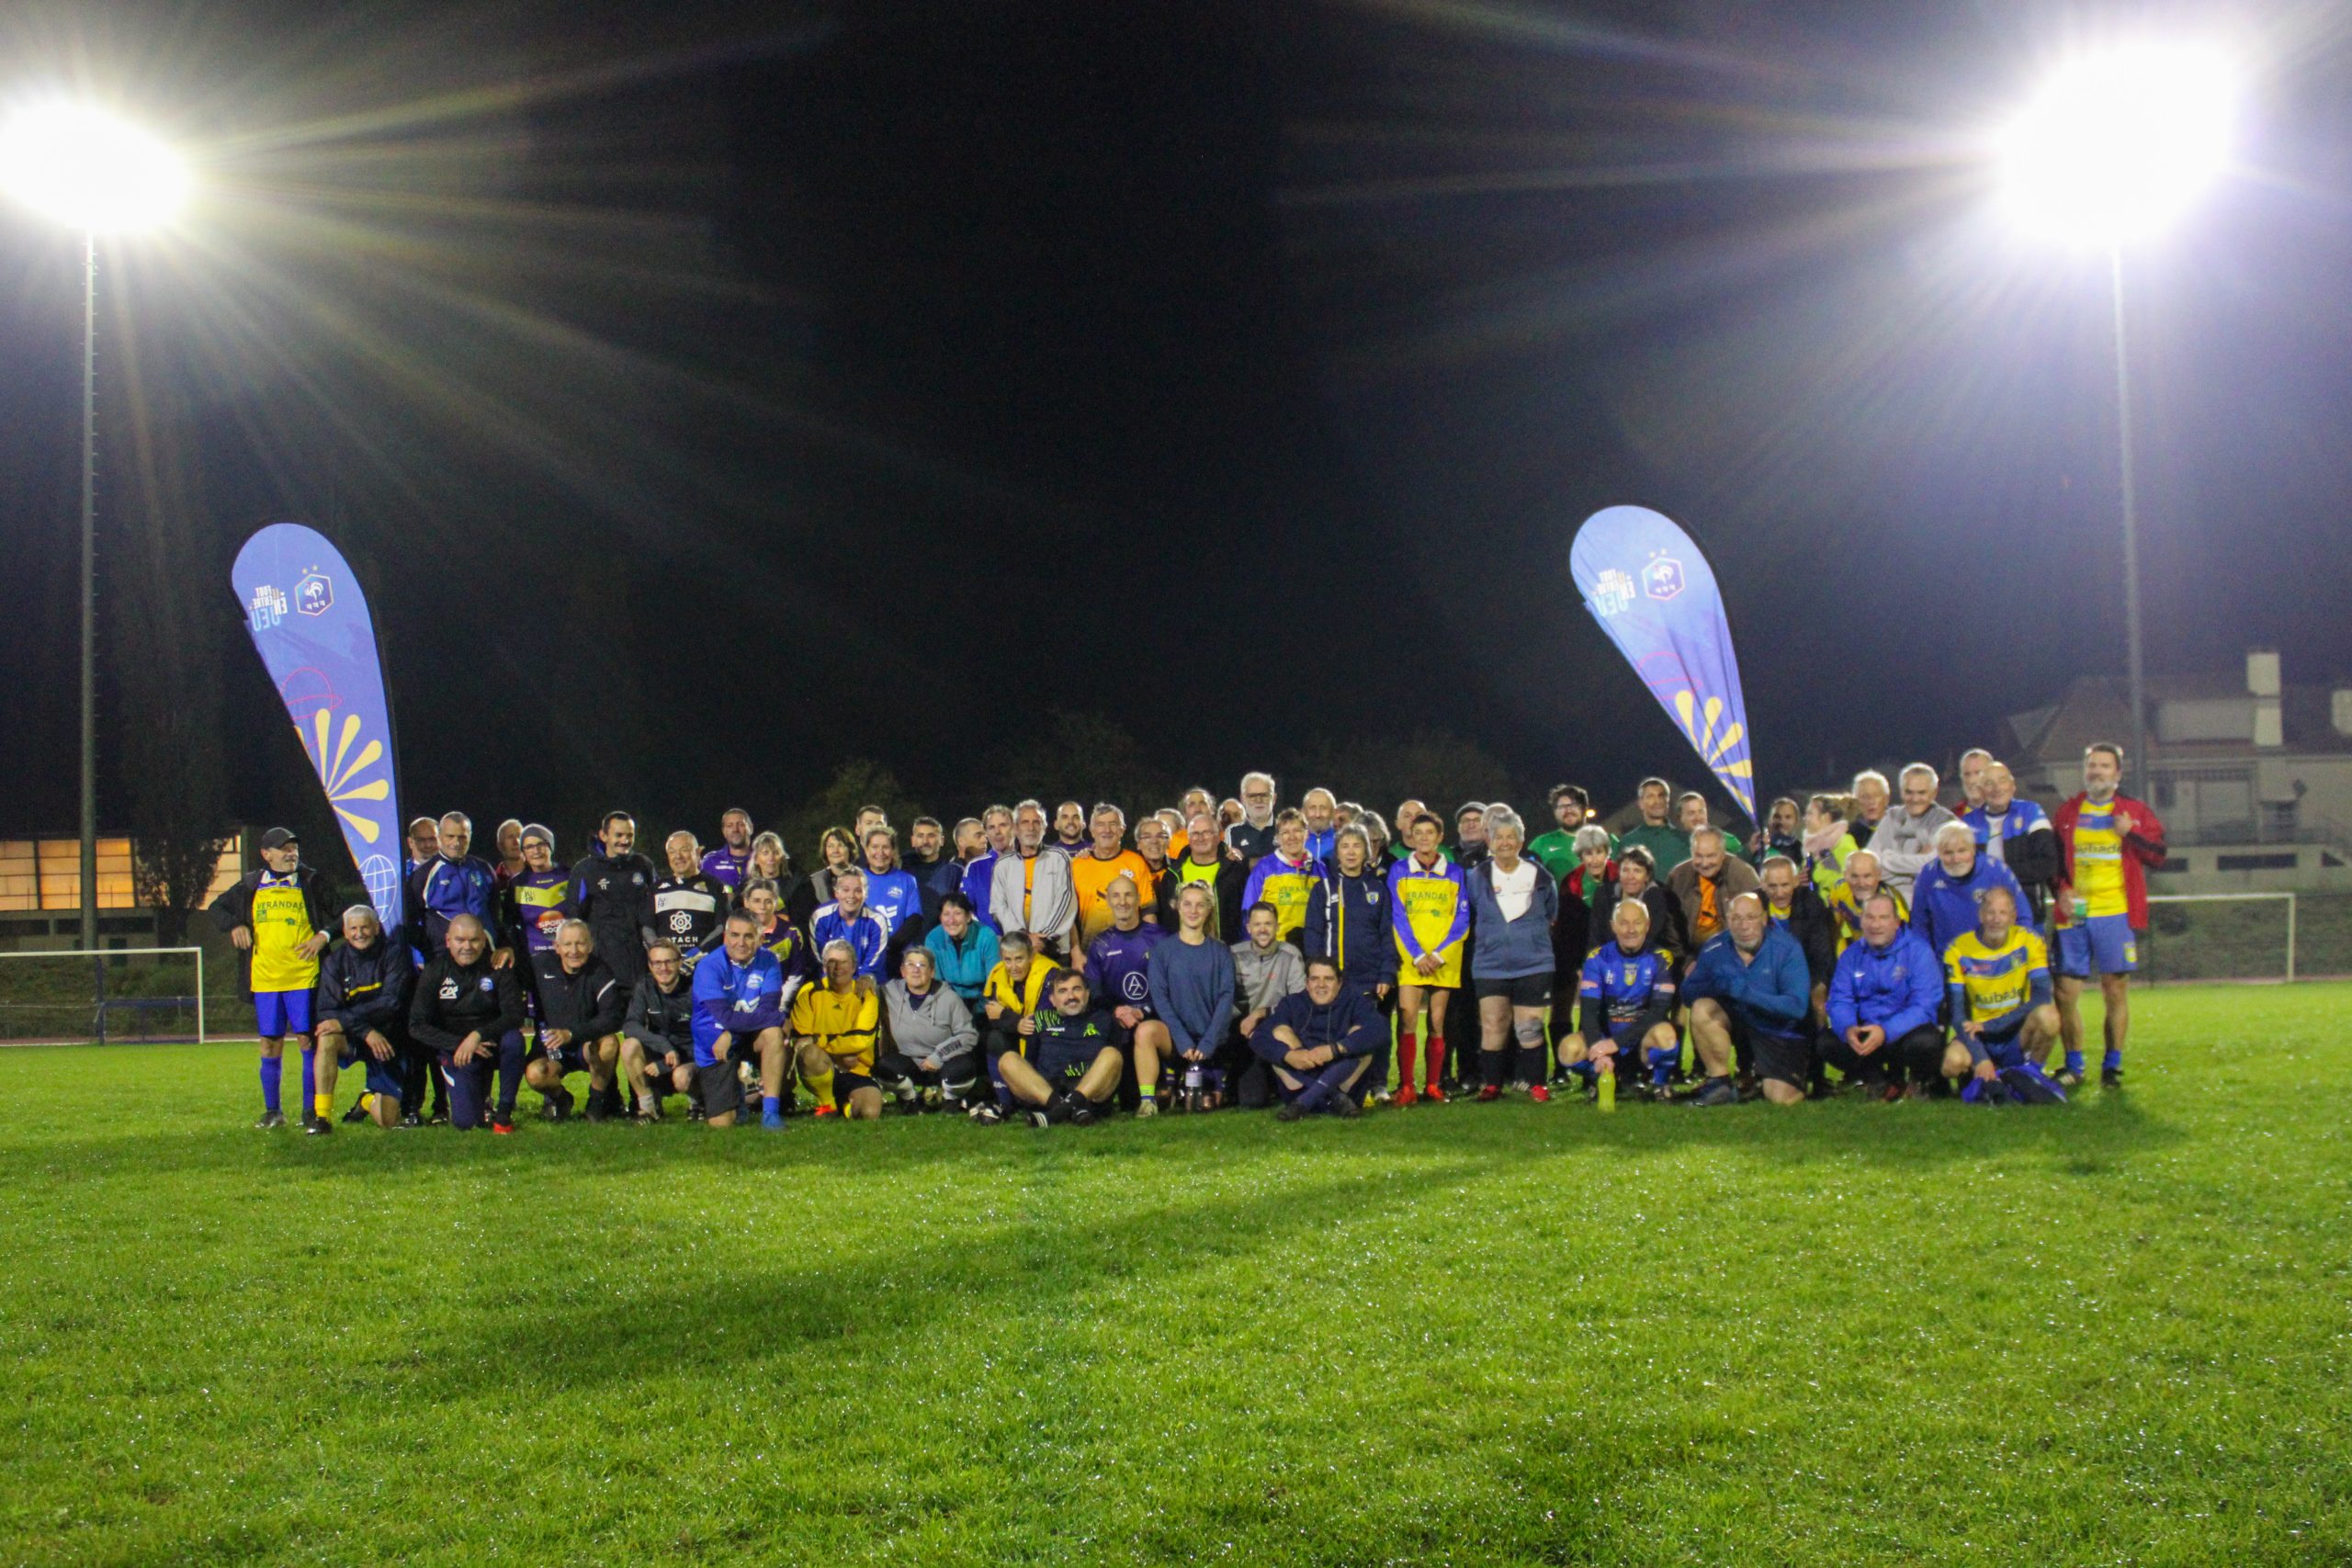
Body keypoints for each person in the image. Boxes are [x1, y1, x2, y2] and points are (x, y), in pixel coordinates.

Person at [2050, 741, 2166, 1089]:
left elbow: (2159, 855)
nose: (2097, 771)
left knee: (2114, 991)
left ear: (2117, 773)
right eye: (2092, 765)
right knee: (2065, 992)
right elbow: (2054, 861)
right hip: (2076, 914)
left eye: (2104, 766)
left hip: (2115, 913)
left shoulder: (2134, 811)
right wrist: (2061, 890)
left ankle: (2112, 1066)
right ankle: (2074, 1065)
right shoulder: (2069, 811)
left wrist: (2131, 833)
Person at [212, 826, 337, 1129]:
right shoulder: (252, 883)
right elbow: (217, 907)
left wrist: (323, 936)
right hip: (266, 978)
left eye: (294, 848)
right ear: (266, 854)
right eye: (284, 848)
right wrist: (235, 925)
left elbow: (345, 913)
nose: (291, 853)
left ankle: (310, 1112)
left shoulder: (311, 880)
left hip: (304, 976)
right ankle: (273, 1112)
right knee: (269, 1044)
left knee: (308, 1041)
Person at [1461, 807, 1559, 1100]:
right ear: (1489, 841)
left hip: (1533, 963)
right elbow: (1473, 909)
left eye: (1510, 837)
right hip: (1490, 963)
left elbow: (1551, 912)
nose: (1505, 842)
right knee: (1493, 1024)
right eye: (1499, 837)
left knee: (1529, 1027)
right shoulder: (1477, 876)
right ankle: (1492, 1086)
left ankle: (1537, 1085)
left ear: (1520, 840)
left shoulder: (1540, 875)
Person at [1682, 894, 1814, 1107]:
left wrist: (1744, 992)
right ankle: (1720, 1084)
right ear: (1727, 920)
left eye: (1751, 918)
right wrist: (1715, 985)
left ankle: (1772, 1080)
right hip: (1737, 1024)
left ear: (1764, 919)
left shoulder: (1787, 948)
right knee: (1702, 1007)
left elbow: (1796, 1008)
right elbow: (1687, 994)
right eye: (1736, 918)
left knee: (1780, 1098)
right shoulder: (1715, 947)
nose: (1743, 926)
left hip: (1777, 1030)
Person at [407, 914, 527, 1133]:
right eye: (460, 940)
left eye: (474, 940)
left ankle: (503, 1115)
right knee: (467, 1123)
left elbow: (515, 1015)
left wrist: (478, 1035)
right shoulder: (435, 971)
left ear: (484, 941)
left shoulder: (497, 966)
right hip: (458, 1052)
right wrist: (458, 1043)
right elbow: (416, 1025)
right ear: (448, 941)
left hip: (491, 1044)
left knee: (514, 1040)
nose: (467, 947)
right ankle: (476, 1098)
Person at [1824, 891, 1945, 1100]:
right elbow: (1840, 1000)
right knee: (1826, 1041)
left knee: (1926, 1042)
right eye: (1870, 918)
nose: (1876, 925)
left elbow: (1924, 1005)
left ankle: (1919, 1081)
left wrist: (1886, 1031)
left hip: (1904, 1033)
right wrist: (1848, 1028)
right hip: (1866, 1032)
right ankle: (1877, 1081)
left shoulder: (1919, 951)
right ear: (1861, 921)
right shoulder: (1851, 955)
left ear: (1896, 922)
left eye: (1883, 918)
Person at [1943, 886, 2061, 1093]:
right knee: (1951, 1065)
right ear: (1981, 915)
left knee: (2049, 1016)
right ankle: (1982, 1073)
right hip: (1978, 1034)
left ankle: (2031, 1075)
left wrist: (1992, 1025)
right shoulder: (1957, 949)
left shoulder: (2030, 941)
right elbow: (1957, 1014)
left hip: (2015, 1031)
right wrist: (1980, 1057)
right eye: (1990, 912)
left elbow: (2042, 996)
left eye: (2002, 913)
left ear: (2013, 916)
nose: (1996, 919)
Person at [311, 905, 413, 1133]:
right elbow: (327, 1012)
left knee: (387, 1121)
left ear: (376, 928)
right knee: (327, 1038)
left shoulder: (394, 954)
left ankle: (367, 1101)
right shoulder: (334, 962)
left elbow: (391, 1003)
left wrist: (354, 1024)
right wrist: (366, 1032)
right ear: (345, 932)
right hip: (356, 1037)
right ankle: (322, 1118)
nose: (360, 933)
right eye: (353, 928)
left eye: (365, 927)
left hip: (389, 1039)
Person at [1388, 810, 1467, 1105]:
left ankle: (1432, 1086)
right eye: (1418, 833)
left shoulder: (1455, 873)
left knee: (1437, 1021)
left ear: (1440, 837)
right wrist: (1418, 954)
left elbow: (1461, 920)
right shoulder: (1399, 870)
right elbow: (1398, 917)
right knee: (1407, 1017)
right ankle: (1407, 1086)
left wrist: (1438, 954)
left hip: (1443, 959)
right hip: (1412, 959)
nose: (1423, 838)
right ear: (1411, 836)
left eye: (1429, 833)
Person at [690, 910, 792, 1129]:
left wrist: (732, 1032)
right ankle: (735, 1094)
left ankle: (770, 1114)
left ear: (760, 938)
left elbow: (768, 1008)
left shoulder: (769, 960)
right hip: (715, 1045)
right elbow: (726, 1018)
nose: (741, 943)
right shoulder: (709, 966)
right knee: (722, 1124)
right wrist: (777, 1018)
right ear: (725, 937)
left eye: (748, 936)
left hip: (743, 1037)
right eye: (735, 935)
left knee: (774, 1034)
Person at [1573, 899, 1680, 1100]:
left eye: (1637, 923)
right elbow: (1588, 1012)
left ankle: (1660, 1084)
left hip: (1641, 1043)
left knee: (1666, 1035)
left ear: (1647, 925)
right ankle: (1601, 1078)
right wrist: (1600, 1050)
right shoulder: (1597, 958)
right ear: (1613, 926)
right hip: (1607, 1040)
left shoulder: (1661, 957)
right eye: (1623, 923)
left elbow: (1659, 1010)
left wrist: (1618, 1042)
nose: (1631, 930)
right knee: (1568, 1050)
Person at [522, 919, 628, 1121]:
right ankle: (562, 1099)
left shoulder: (600, 971)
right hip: (552, 1045)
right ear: (557, 947)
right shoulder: (539, 966)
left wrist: (572, 1034)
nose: (574, 951)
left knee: (609, 1043)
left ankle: (596, 1104)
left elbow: (613, 1016)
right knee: (535, 1074)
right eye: (568, 944)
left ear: (590, 945)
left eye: (580, 943)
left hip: (587, 1043)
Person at [1082, 878, 1171, 1113]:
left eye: (1128, 895)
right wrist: (1117, 1011)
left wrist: (1144, 1010)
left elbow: (1173, 988)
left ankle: (1167, 1082)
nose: (1123, 902)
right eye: (1116, 896)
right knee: (1128, 1102)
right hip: (1119, 1027)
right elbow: (1095, 993)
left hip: (1156, 1023)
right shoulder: (1100, 944)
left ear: (1139, 899)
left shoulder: (1161, 937)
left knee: (1161, 1096)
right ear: (1108, 901)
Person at [1148, 882, 1238, 1111]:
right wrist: (1181, 1039)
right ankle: (1148, 1098)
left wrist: (1209, 1042)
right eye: (1187, 904)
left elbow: (1226, 998)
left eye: (1200, 905)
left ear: (1208, 909)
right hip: (1177, 1041)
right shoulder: (1162, 951)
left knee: (1210, 1104)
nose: (1193, 910)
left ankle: (1211, 1079)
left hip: (1212, 1043)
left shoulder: (1221, 952)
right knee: (1145, 1032)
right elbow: (1160, 998)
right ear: (1177, 907)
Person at [1259, 956, 1385, 1120]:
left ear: (1339, 983)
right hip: (1303, 1087)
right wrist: (1289, 1055)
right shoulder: (1291, 1003)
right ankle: (1334, 1097)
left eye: (1328, 979)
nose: (1321, 984)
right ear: (1307, 983)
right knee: (1279, 1034)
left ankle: (1304, 1102)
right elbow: (1259, 1037)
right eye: (1315, 979)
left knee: (1361, 1036)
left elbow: (1380, 1030)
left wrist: (1336, 1049)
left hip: (1344, 1089)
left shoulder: (1356, 1001)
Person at [998, 968, 1121, 1126]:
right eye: (1063, 991)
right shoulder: (1040, 1020)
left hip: (1090, 1093)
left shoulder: (1104, 1019)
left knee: (1112, 1054)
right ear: (1052, 999)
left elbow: (1114, 1068)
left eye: (1077, 989)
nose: (1071, 996)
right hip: (1048, 1091)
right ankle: (1067, 1108)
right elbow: (1029, 1063)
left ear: (1087, 994)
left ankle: (1056, 1114)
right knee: (1008, 1059)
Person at [877, 946, 981, 1113]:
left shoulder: (949, 998)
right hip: (907, 1062)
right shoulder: (889, 992)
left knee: (964, 1068)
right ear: (903, 971)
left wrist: (938, 1056)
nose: (916, 970)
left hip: (942, 1063)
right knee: (884, 1066)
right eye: (910, 965)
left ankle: (948, 1099)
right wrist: (867, 980)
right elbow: (865, 990)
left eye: (922, 965)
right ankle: (910, 1098)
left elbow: (968, 1035)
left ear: (932, 972)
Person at [789, 939, 885, 1119]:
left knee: (869, 1113)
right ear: (824, 966)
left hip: (858, 1069)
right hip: (823, 1065)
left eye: (843, 962)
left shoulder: (866, 995)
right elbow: (803, 1040)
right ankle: (827, 1105)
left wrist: (820, 1040)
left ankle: (844, 1105)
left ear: (853, 966)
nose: (837, 967)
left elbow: (861, 1040)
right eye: (832, 962)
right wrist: (838, 1056)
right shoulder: (809, 992)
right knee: (809, 1053)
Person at [1910, 822, 2034, 960]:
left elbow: (2023, 916)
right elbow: (1919, 926)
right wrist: (1927, 960)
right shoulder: (1927, 876)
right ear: (1938, 853)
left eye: (1962, 851)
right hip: (1947, 961)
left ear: (1973, 849)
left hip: (1995, 960)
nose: (1956, 859)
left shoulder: (1997, 871)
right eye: (1948, 853)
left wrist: (2015, 953)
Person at [1230, 901, 1307, 1108]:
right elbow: (1225, 998)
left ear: (1277, 926)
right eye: (1257, 925)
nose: (1263, 930)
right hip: (1241, 1031)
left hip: (1276, 1026)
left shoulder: (1290, 954)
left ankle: (1297, 1085)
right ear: (1249, 928)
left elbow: (1299, 1001)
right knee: (1252, 1101)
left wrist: (1261, 1014)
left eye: (1268, 924)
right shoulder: (1233, 954)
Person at [1964, 762, 2060, 926]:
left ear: (2012, 786)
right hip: (1982, 918)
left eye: (2002, 781)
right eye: (1989, 783)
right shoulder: (1967, 823)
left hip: (2028, 914)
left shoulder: (2031, 812)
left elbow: (2048, 863)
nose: (1996, 788)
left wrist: (2000, 875)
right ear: (1980, 790)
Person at [409, 812, 508, 968]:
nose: (456, 842)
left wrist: (504, 945)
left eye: (462, 837)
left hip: (486, 957)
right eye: (450, 836)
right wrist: (432, 949)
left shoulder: (484, 869)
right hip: (443, 961)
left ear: (470, 837)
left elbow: (495, 916)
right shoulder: (423, 875)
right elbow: (410, 923)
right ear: (440, 836)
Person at [571, 810, 657, 987]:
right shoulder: (585, 870)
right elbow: (574, 917)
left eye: (630, 835)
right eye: (619, 835)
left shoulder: (643, 865)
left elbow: (657, 905)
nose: (625, 841)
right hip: (602, 964)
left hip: (639, 963)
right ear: (603, 836)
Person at [1305, 825, 1391, 1000]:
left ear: (1366, 851)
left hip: (1369, 980)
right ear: (1337, 853)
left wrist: (1386, 974)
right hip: (1331, 980)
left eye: (1356, 846)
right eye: (1345, 846)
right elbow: (1313, 933)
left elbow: (1387, 934)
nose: (1351, 852)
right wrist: (1318, 972)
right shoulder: (1323, 889)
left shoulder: (1378, 888)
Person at [1756, 854, 1837, 1032]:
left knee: (1818, 1003)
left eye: (1785, 885)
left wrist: (1817, 987)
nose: (1779, 893)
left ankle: (1819, 1044)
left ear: (1795, 881)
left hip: (1807, 974)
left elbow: (1821, 954)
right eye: (1772, 886)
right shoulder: (1753, 905)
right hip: (1765, 976)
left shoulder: (1812, 904)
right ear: (1762, 884)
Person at [621, 942, 700, 1122]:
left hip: (691, 1057)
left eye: (669, 962)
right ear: (650, 965)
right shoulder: (645, 986)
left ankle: (698, 1101)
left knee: (681, 1077)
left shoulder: (694, 989)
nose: (663, 968)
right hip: (662, 1055)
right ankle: (648, 1108)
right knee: (629, 1046)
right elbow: (630, 1024)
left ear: (680, 963)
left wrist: (670, 1061)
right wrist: (664, 1047)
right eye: (657, 963)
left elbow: (706, 1037)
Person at [978, 930, 1054, 1118]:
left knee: (1033, 1031)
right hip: (1016, 1034)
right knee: (994, 1038)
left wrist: (1007, 1016)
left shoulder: (1049, 974)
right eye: (1008, 960)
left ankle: (1036, 1097)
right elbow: (993, 1017)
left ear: (1031, 956)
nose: (1013, 967)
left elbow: (1041, 1020)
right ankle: (1005, 1103)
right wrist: (1016, 1023)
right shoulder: (998, 975)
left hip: (1048, 1039)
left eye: (1019, 959)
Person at [989, 800, 1078, 961]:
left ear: (1044, 828)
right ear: (1015, 829)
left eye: (1036, 822)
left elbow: (1066, 900)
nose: (1031, 828)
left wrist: (1044, 937)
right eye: (1025, 822)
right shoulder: (1002, 865)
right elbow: (998, 907)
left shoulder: (1059, 858)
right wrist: (1023, 937)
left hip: (1053, 949)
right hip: (1017, 951)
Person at [1069, 804, 1158, 946]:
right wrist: (1076, 952)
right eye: (1100, 825)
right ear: (1092, 830)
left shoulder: (1136, 863)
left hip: (1130, 949)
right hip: (1090, 950)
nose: (1107, 830)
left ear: (1122, 829)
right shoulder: (1076, 866)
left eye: (1113, 824)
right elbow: (1069, 918)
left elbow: (1148, 913)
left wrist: (1150, 947)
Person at [1666, 826, 1760, 953]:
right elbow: (1670, 928)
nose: (1705, 863)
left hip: (1733, 955)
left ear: (1723, 854)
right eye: (1698, 856)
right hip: (1689, 956)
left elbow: (1758, 923)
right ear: (1691, 852)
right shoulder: (1678, 876)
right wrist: (1685, 961)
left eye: (1711, 856)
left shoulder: (1743, 875)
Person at [1864, 764, 1954, 898]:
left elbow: (1934, 864)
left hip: (1930, 901)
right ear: (1901, 791)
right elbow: (1868, 865)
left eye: (1921, 793)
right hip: (1887, 903)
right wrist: (1913, 867)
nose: (1915, 799)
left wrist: (1888, 858)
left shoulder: (1946, 822)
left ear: (1934, 793)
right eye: (1909, 792)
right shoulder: (1891, 817)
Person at [1240, 808, 1325, 947]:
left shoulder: (1320, 869)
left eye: (1297, 831)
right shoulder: (1264, 868)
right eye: (1285, 832)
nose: (1292, 837)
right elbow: (1248, 912)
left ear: (1306, 834)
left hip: (1312, 949)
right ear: (1278, 838)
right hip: (1274, 950)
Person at [1585, 843, 1683, 957]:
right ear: (1619, 873)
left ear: (1647, 876)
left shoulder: (1658, 898)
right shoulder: (1603, 895)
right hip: (1608, 959)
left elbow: (1648, 941)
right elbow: (1594, 939)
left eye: (1637, 871)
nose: (1630, 877)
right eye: (1625, 870)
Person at [1161, 813, 1247, 941]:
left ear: (1218, 836)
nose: (1200, 838)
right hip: (1182, 949)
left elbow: (1245, 914)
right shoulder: (1172, 875)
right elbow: (1166, 919)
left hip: (1228, 948)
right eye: (1195, 834)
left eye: (1206, 833)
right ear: (1188, 838)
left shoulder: (1236, 871)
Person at [651, 830, 729, 972]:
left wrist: (697, 953)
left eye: (684, 850)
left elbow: (722, 927)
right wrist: (664, 958)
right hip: (666, 971)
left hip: (704, 969)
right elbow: (647, 928)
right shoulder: (656, 889)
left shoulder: (715, 886)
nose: (678, 856)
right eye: (672, 852)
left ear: (698, 852)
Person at [500, 824, 573, 964]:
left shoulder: (570, 876)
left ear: (550, 846)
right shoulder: (517, 884)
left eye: (541, 844)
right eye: (529, 847)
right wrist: (518, 949)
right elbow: (509, 922)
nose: (536, 851)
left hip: (570, 954)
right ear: (523, 852)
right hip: (534, 959)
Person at [858, 826, 926, 964]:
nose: (880, 852)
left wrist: (890, 948)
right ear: (866, 850)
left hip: (897, 957)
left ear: (893, 850)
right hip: (863, 956)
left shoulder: (906, 880)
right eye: (875, 847)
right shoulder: (856, 879)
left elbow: (914, 919)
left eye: (886, 847)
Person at [923, 893, 1001, 1011]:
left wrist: (981, 1011)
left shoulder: (987, 936)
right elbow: (936, 983)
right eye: (946, 914)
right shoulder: (933, 939)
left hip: (983, 1005)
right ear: (940, 918)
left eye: (958, 913)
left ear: (968, 917)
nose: (951, 920)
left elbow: (994, 982)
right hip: (949, 1006)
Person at [811, 867, 891, 979]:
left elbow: (872, 966)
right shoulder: (820, 917)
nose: (851, 896)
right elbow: (821, 961)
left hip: (865, 982)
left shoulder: (877, 921)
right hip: (831, 980)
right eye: (846, 890)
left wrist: (852, 985)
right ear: (836, 893)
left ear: (866, 894)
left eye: (858, 891)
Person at [745, 830, 815, 933]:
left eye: (776, 853)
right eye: (765, 853)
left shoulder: (799, 882)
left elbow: (805, 916)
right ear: (756, 859)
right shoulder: (747, 887)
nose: (771, 858)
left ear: (782, 858)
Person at [961, 806, 1015, 931]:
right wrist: (986, 935)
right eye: (991, 827)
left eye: (1003, 825)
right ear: (986, 832)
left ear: (1014, 828)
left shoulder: (1031, 863)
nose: (997, 831)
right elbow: (964, 908)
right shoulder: (975, 867)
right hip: (989, 940)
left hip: (1026, 940)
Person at [1618, 778, 1689, 873]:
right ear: (1641, 804)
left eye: (1661, 795)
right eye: (1650, 796)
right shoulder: (1628, 842)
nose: (1657, 801)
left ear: (1668, 801)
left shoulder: (1685, 841)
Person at [1527, 784, 1595, 881]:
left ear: (1585, 808)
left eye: (1573, 805)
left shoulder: (1607, 841)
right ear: (1555, 812)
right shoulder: (1541, 844)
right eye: (1562, 807)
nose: (1568, 810)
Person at [1802, 794, 1860, 901]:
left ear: (1826, 817)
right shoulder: (1814, 848)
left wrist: (1814, 877)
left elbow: (1845, 879)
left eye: (1810, 813)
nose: (1805, 818)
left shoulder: (1843, 843)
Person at [1226, 773, 1279, 861]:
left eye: (1264, 795)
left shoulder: (1286, 830)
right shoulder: (1233, 833)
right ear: (1243, 799)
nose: (1258, 800)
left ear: (1274, 798)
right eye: (1252, 796)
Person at [700, 807, 755, 892]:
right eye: (730, 826)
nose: (735, 830)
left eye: (741, 825)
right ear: (724, 832)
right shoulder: (710, 861)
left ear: (750, 828)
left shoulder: (762, 859)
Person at [1745, 796, 1802, 868]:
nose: (1782, 822)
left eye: (1788, 817)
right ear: (1769, 820)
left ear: (1796, 821)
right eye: (1777, 817)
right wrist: (1750, 851)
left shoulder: (1802, 851)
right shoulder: (1757, 847)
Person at [811, 827, 858, 908]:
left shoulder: (863, 878)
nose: (835, 851)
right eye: (830, 846)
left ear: (850, 849)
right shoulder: (814, 882)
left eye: (840, 845)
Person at [1851, 770, 1894, 847]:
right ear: (1855, 801)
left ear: (1886, 799)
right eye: (1864, 796)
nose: (1871, 801)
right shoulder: (1847, 833)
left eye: (1876, 795)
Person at [1300, 787, 1340, 863]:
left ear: (1334, 812)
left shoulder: (1342, 843)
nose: (1317, 814)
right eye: (1312, 808)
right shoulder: (1295, 842)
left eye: (1323, 808)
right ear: (1303, 812)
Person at [1451, 803, 1489, 870]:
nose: (1471, 825)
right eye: (1465, 821)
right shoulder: (1447, 856)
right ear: (1458, 828)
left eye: (1478, 820)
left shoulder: (1499, 856)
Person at [1955, 748, 1995, 813]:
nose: (1971, 781)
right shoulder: (1953, 816)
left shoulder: (2011, 813)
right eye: (1967, 774)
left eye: (1978, 773)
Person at [492, 819, 526, 886]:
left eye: (519, 836)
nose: (516, 842)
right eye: (510, 837)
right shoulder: (494, 881)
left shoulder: (538, 872)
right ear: (500, 845)